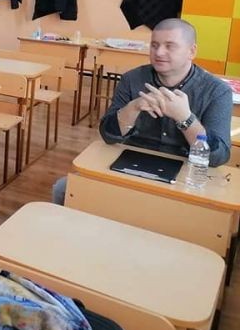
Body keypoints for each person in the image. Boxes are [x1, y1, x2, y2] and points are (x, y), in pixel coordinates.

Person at [52, 18, 231, 204]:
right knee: (63, 189)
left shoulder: (217, 91)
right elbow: (108, 136)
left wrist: (185, 118)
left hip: (186, 176)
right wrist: (133, 107)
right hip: (130, 166)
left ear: (191, 51)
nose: (159, 52)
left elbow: (217, 157)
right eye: (154, 45)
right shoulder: (132, 79)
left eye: (169, 46)